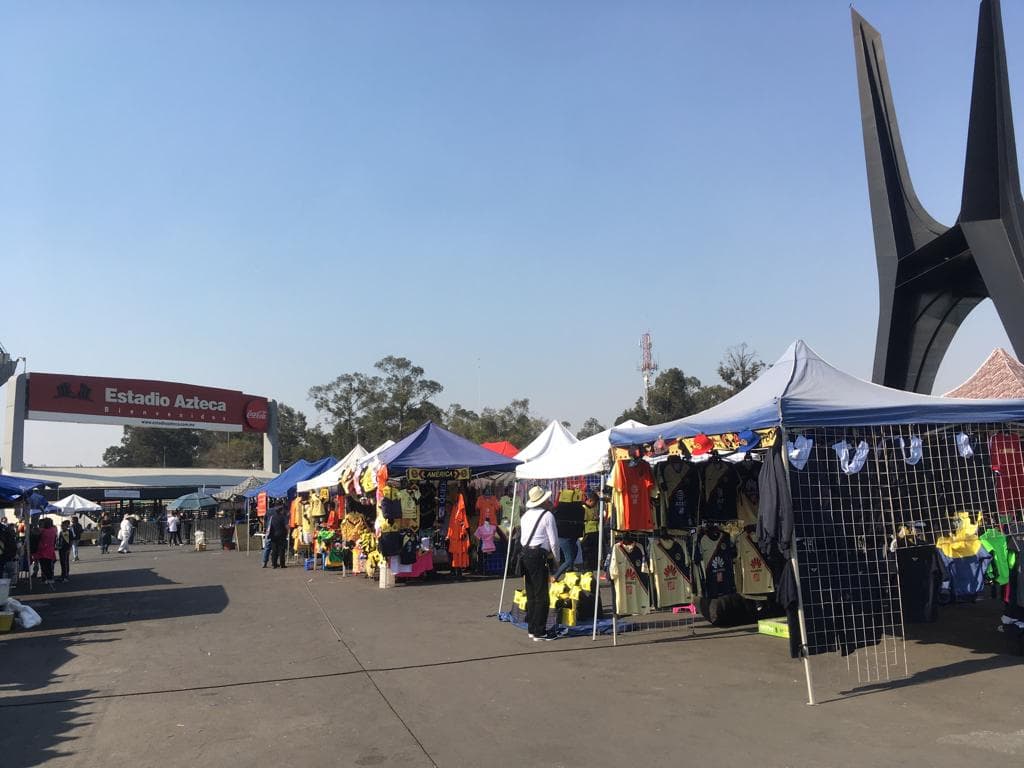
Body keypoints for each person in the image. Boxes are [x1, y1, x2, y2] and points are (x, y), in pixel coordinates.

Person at [519, 485, 560, 641]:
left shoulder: (525, 516)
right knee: (542, 594)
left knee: (531, 593)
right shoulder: (547, 516)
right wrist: (556, 560)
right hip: (538, 555)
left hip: (525, 554)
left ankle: (532, 628)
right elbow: (554, 541)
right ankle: (540, 631)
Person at [552, 492, 584, 580]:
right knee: (569, 559)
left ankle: (570, 574)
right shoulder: (578, 509)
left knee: (573, 554)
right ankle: (555, 576)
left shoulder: (558, 509)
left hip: (570, 536)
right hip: (566, 537)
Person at [580, 491, 601, 572]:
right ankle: (587, 566)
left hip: (595, 531)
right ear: (589, 500)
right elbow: (583, 521)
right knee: (587, 550)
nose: (595, 505)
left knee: (594, 550)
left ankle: (594, 565)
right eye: (595, 502)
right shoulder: (584, 508)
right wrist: (594, 520)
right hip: (587, 533)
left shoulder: (593, 508)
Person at [35, 518, 58, 584]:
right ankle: (49, 578)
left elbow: (36, 534)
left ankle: (46, 578)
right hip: (50, 550)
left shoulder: (42, 531)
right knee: (48, 566)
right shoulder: (53, 530)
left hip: (43, 550)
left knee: (44, 566)